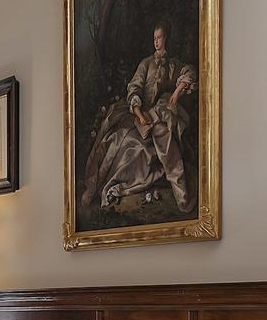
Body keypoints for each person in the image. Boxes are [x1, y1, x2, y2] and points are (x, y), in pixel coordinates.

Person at [80, 20, 198, 215]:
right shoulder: (146, 64)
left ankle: (181, 194)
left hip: (161, 114)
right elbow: (134, 89)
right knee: (119, 139)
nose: (157, 42)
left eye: (160, 38)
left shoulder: (173, 65)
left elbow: (190, 72)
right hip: (139, 114)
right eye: (154, 38)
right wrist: (141, 115)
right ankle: (99, 186)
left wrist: (178, 91)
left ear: (166, 38)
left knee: (164, 137)